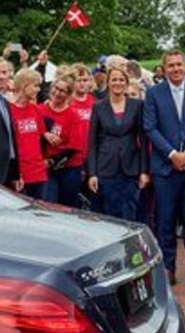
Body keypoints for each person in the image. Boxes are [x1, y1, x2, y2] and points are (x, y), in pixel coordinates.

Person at [143, 49, 185, 289]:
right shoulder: (153, 93)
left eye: (179, 65)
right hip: (165, 166)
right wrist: (172, 154)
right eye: (171, 65)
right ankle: (168, 268)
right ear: (163, 68)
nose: (175, 69)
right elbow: (150, 127)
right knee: (165, 219)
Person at [87, 65, 149, 220]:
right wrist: (92, 173)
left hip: (130, 168)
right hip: (106, 167)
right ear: (108, 82)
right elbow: (92, 142)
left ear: (127, 83)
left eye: (121, 79)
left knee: (130, 211)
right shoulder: (98, 107)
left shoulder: (137, 105)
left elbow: (143, 140)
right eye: (114, 79)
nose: (118, 83)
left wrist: (144, 171)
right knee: (109, 212)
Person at [39, 72, 81, 207]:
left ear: (69, 95)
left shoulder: (73, 115)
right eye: (55, 88)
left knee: (67, 206)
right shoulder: (40, 110)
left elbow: (73, 147)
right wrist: (44, 133)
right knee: (48, 203)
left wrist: (51, 161)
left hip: (68, 167)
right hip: (45, 168)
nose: (57, 93)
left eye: (62, 91)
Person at [8, 68, 48, 199]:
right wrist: (14, 173)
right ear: (24, 85)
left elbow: (41, 139)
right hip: (18, 173)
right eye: (35, 85)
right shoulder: (8, 110)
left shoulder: (36, 110)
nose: (38, 89)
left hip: (38, 172)